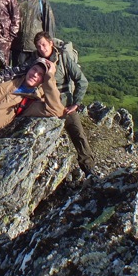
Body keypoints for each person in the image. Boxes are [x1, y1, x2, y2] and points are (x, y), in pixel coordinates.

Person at [32, 30, 95, 175]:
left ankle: (89, 169)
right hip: (45, 105)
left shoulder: (64, 58)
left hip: (64, 106)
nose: (42, 48)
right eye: (38, 46)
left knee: (78, 134)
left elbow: (82, 81)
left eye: (44, 44)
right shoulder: (34, 62)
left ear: (51, 43)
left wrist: (76, 103)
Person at [0, 57, 63, 141]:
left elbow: (56, 110)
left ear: (43, 81)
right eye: (34, 69)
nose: (35, 74)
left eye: (41, 74)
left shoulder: (32, 101)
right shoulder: (9, 78)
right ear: (29, 69)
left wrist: (50, 77)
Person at [12, 0, 56, 67]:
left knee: (36, 75)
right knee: (18, 77)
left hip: (37, 48)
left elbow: (49, 23)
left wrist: (49, 44)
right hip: (18, 47)